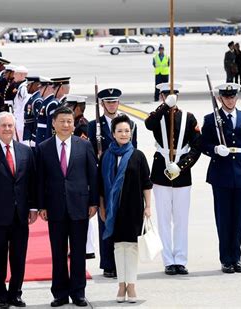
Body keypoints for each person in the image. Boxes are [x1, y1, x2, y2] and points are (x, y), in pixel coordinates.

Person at [36, 106, 98, 307]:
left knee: (79, 252)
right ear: (53, 123)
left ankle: (78, 292)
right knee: (58, 252)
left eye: (69, 121)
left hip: (80, 206)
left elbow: (93, 176)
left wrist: (93, 202)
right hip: (55, 208)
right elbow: (40, 180)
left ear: (74, 124)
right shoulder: (43, 147)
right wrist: (41, 205)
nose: (66, 125)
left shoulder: (84, 145)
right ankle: (60, 293)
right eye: (61, 121)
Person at [0, 112, 37, 308]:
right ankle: (0, 295)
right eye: (4, 126)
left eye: (10, 125)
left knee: (19, 257)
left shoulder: (25, 151)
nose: (8, 129)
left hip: (20, 215)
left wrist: (33, 207)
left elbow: (31, 183)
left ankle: (15, 293)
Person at [201, 83, 241, 274]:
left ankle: (237, 257)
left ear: (237, 98)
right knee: (224, 218)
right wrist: (215, 149)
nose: (230, 100)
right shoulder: (211, 119)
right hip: (221, 174)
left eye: (233, 97)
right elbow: (203, 144)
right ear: (220, 99)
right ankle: (226, 259)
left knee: (238, 218)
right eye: (226, 97)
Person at [144, 83, 202, 275]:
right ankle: (168, 260)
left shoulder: (188, 117)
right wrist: (164, 107)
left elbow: (196, 147)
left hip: (182, 173)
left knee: (181, 219)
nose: (171, 98)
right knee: (163, 219)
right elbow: (148, 124)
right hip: (161, 172)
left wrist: (181, 165)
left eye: (174, 95)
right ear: (161, 96)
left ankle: (181, 259)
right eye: (167, 96)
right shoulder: (157, 116)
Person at [99, 114, 152, 303]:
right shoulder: (106, 156)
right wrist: (102, 208)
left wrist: (148, 207)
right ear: (113, 134)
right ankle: (121, 284)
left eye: (127, 131)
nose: (123, 134)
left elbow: (147, 183)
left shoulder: (138, 156)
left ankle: (132, 285)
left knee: (131, 248)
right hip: (114, 211)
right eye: (119, 131)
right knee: (118, 247)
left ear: (131, 134)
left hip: (133, 209)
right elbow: (100, 187)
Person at [87, 88, 137, 279]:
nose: (111, 105)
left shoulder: (129, 125)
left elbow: (134, 150)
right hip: (103, 174)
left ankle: (122, 263)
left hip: (123, 174)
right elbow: (90, 151)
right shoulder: (94, 126)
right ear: (102, 104)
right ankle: (108, 263)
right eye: (108, 102)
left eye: (114, 102)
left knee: (123, 219)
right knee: (105, 217)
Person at [65, 94, 96, 260]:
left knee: (84, 214)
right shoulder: (75, 123)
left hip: (80, 172)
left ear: (78, 108)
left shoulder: (82, 125)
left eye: (71, 106)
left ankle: (88, 248)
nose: (68, 109)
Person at [22, 76, 42, 148]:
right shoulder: (33, 97)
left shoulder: (37, 100)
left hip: (33, 135)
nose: (27, 87)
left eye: (29, 85)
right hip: (29, 133)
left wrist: (34, 136)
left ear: (35, 85)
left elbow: (37, 120)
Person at [11, 66, 30, 142]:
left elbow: (25, 105)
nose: (13, 76)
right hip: (18, 118)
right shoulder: (20, 86)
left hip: (21, 119)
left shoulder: (24, 88)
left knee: (22, 140)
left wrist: (21, 118)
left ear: (22, 75)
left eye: (16, 74)